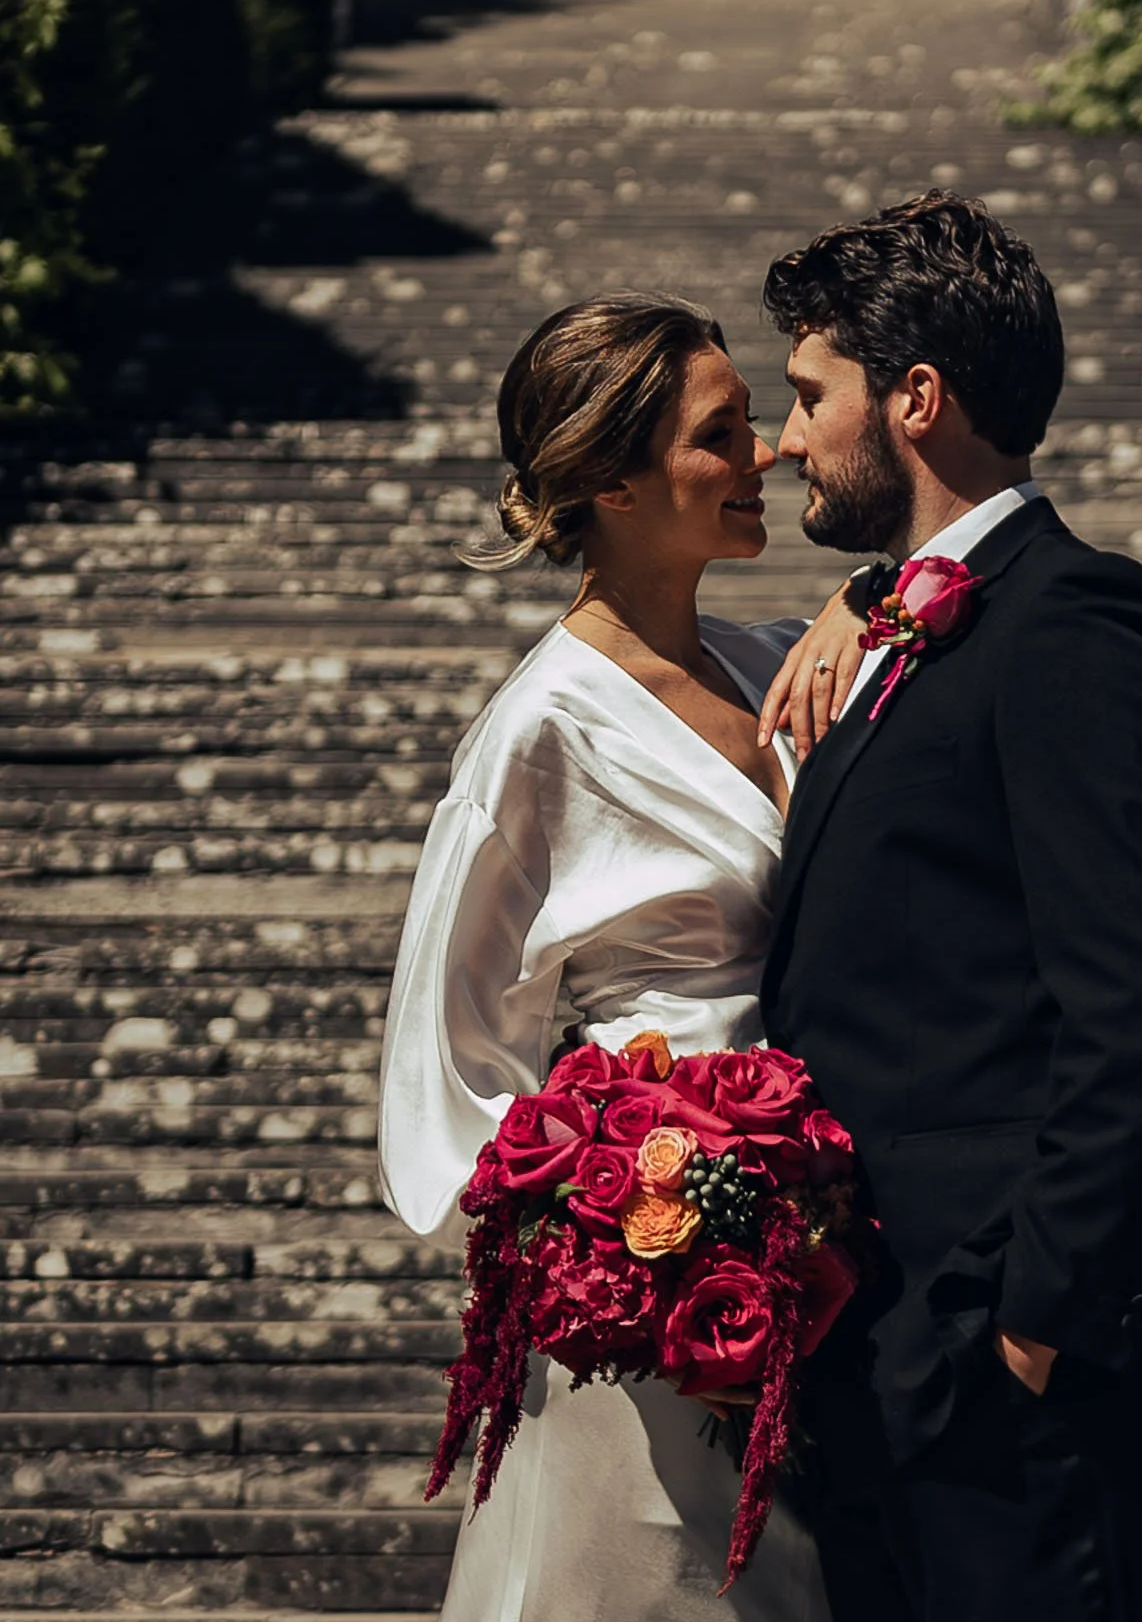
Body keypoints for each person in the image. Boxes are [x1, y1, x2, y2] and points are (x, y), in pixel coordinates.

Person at [755, 190, 1142, 1622]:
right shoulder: (902, 623)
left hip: (1001, 1377)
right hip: (874, 1360)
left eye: (807, 397)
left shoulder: (1077, 619)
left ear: (916, 398)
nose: (781, 441)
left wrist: (1031, 1329)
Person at [376, 293, 866, 1622]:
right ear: (607, 480)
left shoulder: (779, 663)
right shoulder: (538, 730)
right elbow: (456, 1048)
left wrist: (865, 594)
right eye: (723, 433)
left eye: (760, 421)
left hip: (823, 1241)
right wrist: (620, 1237)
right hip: (659, 1280)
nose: (762, 455)